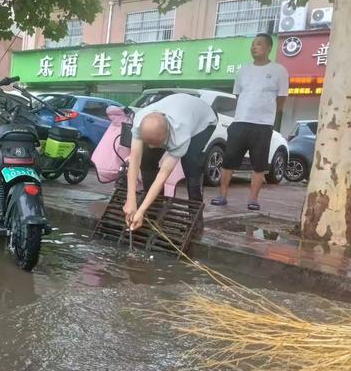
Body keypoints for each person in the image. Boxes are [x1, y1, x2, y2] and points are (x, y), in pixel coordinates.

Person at [211, 33, 289, 211]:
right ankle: (222, 195)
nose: (254, 47)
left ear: (269, 47)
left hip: (263, 125)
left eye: (259, 44)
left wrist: (268, 115)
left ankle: (253, 199)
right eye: (253, 44)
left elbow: (282, 98)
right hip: (240, 123)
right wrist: (244, 113)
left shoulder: (279, 71)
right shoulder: (243, 70)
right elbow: (238, 96)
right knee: (229, 160)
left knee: (259, 163)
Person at [123, 93, 217, 231]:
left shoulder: (180, 136)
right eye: (149, 143)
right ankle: (155, 211)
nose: (152, 147)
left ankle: (195, 216)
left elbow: (162, 177)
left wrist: (140, 210)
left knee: (190, 164)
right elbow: (135, 162)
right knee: (147, 160)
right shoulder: (139, 121)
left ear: (167, 135)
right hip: (180, 109)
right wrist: (130, 199)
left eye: (157, 144)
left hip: (204, 120)